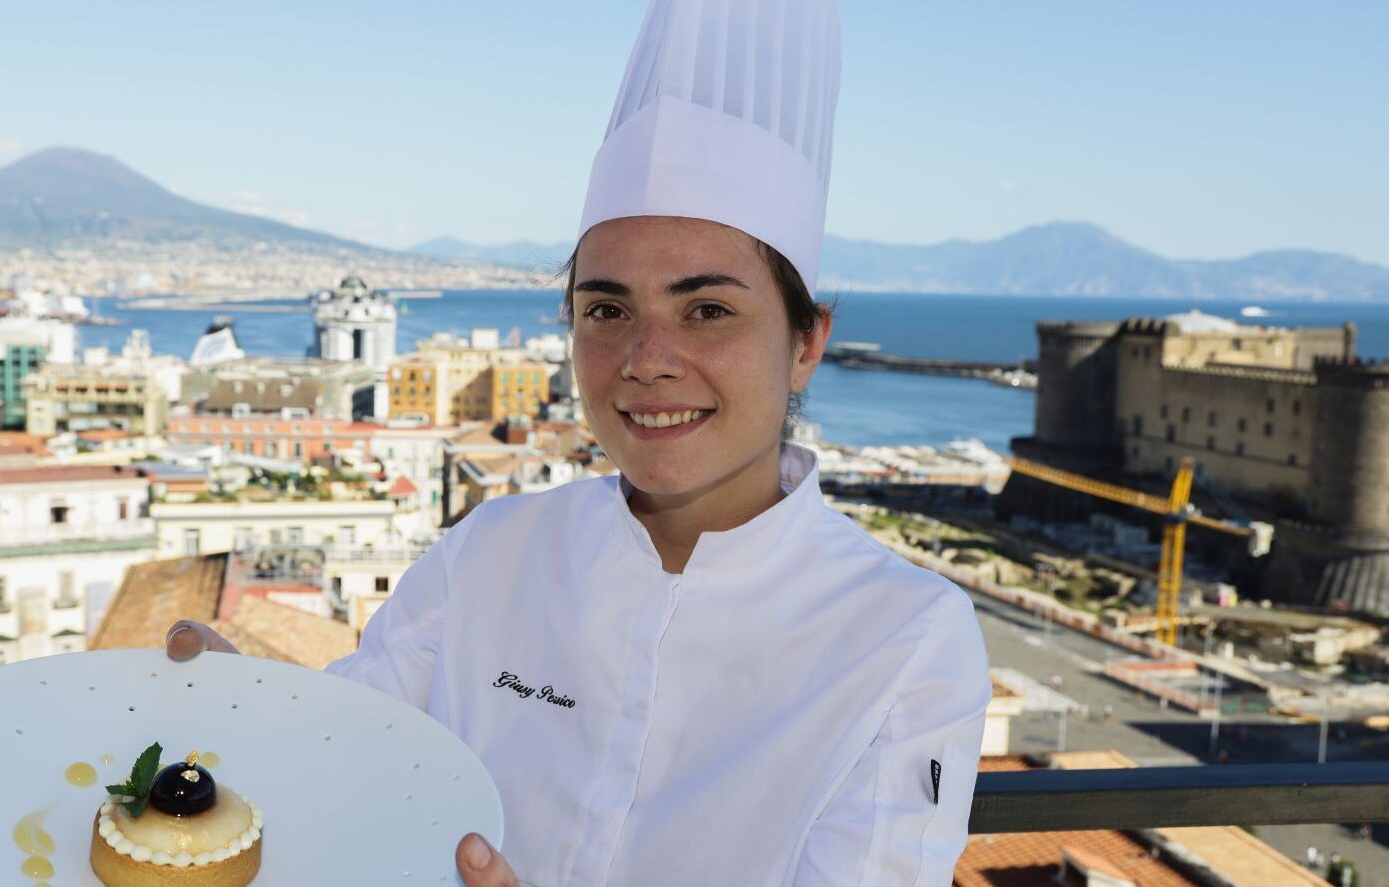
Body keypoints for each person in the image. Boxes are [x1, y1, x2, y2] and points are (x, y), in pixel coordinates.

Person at [169, 0, 992, 883]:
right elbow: (356, 750)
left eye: (707, 310)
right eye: (607, 310)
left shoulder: (904, 640)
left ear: (807, 342)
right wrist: (251, 714)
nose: (645, 361)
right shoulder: (492, 550)